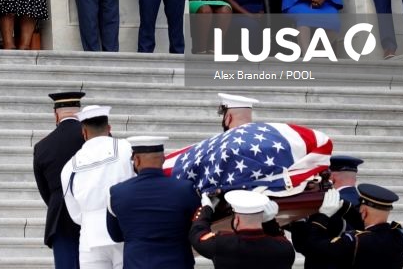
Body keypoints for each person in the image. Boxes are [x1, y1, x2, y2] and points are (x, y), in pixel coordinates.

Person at [106, 136, 199, 269]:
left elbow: (116, 236)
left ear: (136, 160)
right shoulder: (185, 189)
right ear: (163, 159)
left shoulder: (116, 193)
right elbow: (195, 228)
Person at [61, 105, 134, 269]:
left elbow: (75, 214)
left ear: (84, 132)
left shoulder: (69, 167)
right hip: (126, 231)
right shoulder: (127, 149)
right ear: (109, 128)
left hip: (90, 238)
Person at [290, 184, 403, 269]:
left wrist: (323, 215)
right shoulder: (399, 236)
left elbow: (313, 246)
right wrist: (343, 205)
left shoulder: (355, 241)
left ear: (363, 212)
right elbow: (367, 226)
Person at [33, 92, 86, 269]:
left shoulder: (42, 146)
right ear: (80, 113)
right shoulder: (95, 139)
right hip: (93, 210)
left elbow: (44, 189)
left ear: (56, 115)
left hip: (60, 214)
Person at [190, 189, 295, 269]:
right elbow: (278, 237)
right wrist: (269, 222)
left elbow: (197, 235)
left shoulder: (222, 244)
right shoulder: (285, 249)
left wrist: (206, 209)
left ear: (237, 220)